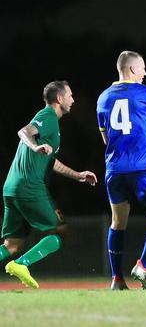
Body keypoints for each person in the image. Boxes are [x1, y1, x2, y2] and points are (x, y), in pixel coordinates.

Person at [2, 80, 97, 289]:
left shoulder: (52, 125)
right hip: (29, 187)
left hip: (11, 187)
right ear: (59, 99)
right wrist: (35, 147)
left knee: (12, 244)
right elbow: (24, 132)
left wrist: (78, 175)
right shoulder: (48, 116)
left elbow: (51, 161)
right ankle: (21, 265)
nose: (73, 100)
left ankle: (17, 261)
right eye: (70, 95)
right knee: (59, 233)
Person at [96, 51, 146, 290]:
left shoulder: (103, 97)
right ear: (132, 70)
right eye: (142, 68)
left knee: (117, 223)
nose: (145, 73)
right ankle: (143, 264)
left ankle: (116, 279)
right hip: (141, 170)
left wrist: (142, 128)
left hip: (114, 171)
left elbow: (107, 137)